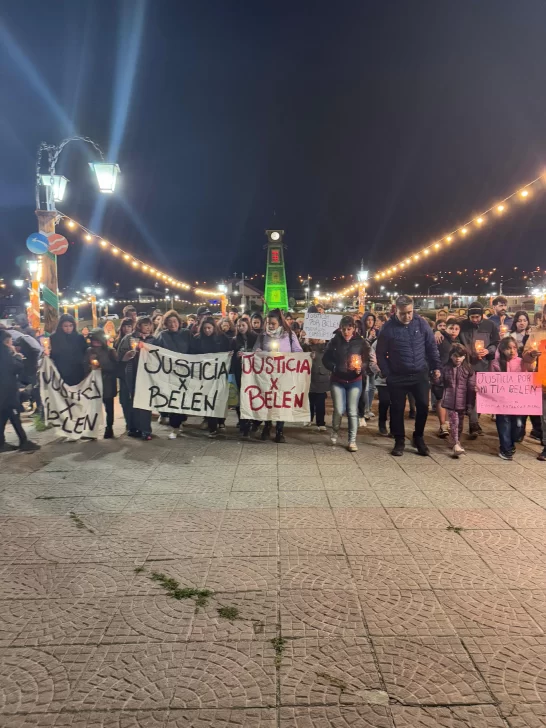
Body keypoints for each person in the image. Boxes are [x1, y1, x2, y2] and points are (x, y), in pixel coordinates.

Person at [376, 295, 441, 457]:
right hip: (397, 376)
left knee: (423, 406)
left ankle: (418, 437)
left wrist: (436, 367)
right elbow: (380, 353)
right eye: (403, 313)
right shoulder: (388, 328)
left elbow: (431, 347)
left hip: (419, 373)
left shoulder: (421, 324)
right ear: (396, 311)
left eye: (410, 312)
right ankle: (399, 440)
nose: (407, 316)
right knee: (397, 409)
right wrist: (387, 373)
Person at [323, 315, 374, 452]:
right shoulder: (334, 341)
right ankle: (335, 431)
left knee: (352, 411)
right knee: (339, 409)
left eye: (349, 329)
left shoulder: (361, 342)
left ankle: (352, 440)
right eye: (343, 329)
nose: (346, 332)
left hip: (354, 381)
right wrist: (333, 367)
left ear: (354, 329)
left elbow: (366, 359)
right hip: (337, 380)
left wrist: (361, 368)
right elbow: (325, 358)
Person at [253, 309, 303, 443]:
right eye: (268, 323)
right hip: (267, 376)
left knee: (281, 403)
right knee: (268, 401)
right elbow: (255, 351)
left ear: (280, 323)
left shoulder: (290, 335)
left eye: (273, 323)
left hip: (284, 375)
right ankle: (267, 426)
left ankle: (280, 430)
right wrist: (257, 352)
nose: (270, 326)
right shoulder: (263, 336)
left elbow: (298, 351)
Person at [459, 301, 500, 438]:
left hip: (484, 365)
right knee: (470, 392)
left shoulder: (491, 325)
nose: (475, 320)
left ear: (482, 315)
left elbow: (496, 342)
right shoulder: (462, 325)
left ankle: (474, 422)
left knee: (480, 393)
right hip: (467, 365)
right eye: (472, 317)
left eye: (478, 317)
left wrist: (488, 351)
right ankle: (473, 422)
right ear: (468, 316)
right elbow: (455, 339)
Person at [491, 337, 535, 460]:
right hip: (502, 401)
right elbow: (491, 382)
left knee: (518, 425)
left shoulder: (521, 362)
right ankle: (506, 449)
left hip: (518, 401)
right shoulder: (495, 363)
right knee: (504, 423)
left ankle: (510, 443)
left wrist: (532, 355)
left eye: (514, 348)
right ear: (502, 349)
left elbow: (530, 365)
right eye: (508, 348)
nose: (512, 351)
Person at [190, 317, 232, 437]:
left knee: (219, 398)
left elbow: (228, 350)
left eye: (209, 328)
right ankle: (211, 425)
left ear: (214, 327)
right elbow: (193, 354)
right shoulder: (197, 339)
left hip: (219, 375)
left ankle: (221, 421)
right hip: (204, 375)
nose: (207, 330)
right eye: (205, 328)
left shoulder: (222, 338)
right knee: (208, 399)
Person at [0, 330, 40, 452]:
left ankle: (2, 443)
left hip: (4, 391)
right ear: (7, 341)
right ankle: (23, 442)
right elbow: (15, 368)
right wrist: (17, 357)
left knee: (5, 416)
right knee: (14, 415)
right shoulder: (6, 353)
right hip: (8, 391)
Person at [154, 310, 192, 438]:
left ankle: (181, 419)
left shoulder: (187, 333)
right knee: (173, 398)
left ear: (179, 322)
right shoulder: (162, 335)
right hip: (169, 372)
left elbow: (195, 348)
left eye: (174, 321)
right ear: (165, 324)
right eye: (169, 322)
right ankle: (175, 425)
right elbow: (154, 350)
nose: (172, 324)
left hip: (186, 372)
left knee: (184, 398)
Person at [118, 316, 156, 440]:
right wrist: (126, 356)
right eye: (145, 325)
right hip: (132, 373)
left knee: (145, 402)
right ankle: (133, 427)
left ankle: (146, 429)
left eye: (150, 325)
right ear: (139, 326)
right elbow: (119, 356)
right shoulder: (129, 338)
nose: (148, 327)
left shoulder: (153, 339)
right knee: (132, 402)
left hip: (146, 375)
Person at [441, 343, 476, 458]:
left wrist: (470, 403)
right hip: (450, 401)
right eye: (455, 355)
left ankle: (455, 440)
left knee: (460, 423)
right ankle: (456, 444)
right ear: (451, 356)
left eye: (460, 356)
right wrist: (435, 377)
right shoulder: (446, 368)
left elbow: (471, 387)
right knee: (454, 421)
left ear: (465, 356)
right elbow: (440, 382)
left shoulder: (468, 369)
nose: (457, 358)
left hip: (463, 401)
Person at [85, 329, 118, 439]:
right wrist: (90, 365)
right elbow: (83, 366)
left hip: (107, 383)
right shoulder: (89, 351)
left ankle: (109, 428)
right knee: (93, 408)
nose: (95, 344)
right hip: (94, 385)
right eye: (93, 341)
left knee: (109, 408)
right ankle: (91, 430)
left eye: (97, 341)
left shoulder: (110, 351)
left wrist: (101, 366)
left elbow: (115, 367)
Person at [231, 318, 258, 438]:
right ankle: (243, 423)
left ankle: (253, 421)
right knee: (241, 397)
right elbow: (231, 357)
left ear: (248, 325)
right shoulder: (235, 340)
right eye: (239, 325)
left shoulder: (256, 338)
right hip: (240, 372)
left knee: (252, 397)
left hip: (253, 373)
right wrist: (236, 356)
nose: (241, 327)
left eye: (243, 325)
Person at [435, 317, 463, 438]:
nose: (453, 331)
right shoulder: (440, 337)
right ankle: (443, 425)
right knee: (441, 398)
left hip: (456, 374)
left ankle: (450, 423)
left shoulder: (460, 341)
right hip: (441, 372)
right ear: (446, 328)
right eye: (451, 328)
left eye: (456, 329)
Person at [50, 314, 87, 386]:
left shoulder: (79, 337)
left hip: (77, 369)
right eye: (65, 326)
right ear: (61, 326)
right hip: (61, 370)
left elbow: (84, 351)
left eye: (71, 326)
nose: (68, 328)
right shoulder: (55, 338)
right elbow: (54, 353)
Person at [303, 338, 330, 431]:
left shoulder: (325, 346)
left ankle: (321, 422)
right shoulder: (305, 346)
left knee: (320, 402)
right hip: (309, 377)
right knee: (309, 400)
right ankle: (308, 418)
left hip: (321, 377)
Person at [361, 312, 378, 420]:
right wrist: (369, 338)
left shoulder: (376, 332)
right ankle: (365, 409)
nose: (370, 322)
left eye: (372, 320)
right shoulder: (361, 332)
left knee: (372, 387)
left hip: (373, 362)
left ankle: (369, 408)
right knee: (365, 388)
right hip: (363, 362)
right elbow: (361, 346)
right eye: (368, 319)